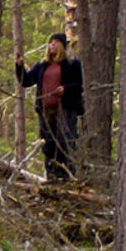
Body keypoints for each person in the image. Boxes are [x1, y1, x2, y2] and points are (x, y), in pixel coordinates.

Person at [16, 32, 84, 181]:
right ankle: (51, 177)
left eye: (56, 42)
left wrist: (65, 88)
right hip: (46, 111)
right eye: (50, 42)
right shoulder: (42, 65)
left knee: (65, 142)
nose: (52, 45)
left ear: (63, 46)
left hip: (65, 108)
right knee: (48, 144)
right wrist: (20, 67)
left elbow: (79, 85)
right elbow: (26, 81)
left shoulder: (72, 64)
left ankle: (66, 176)